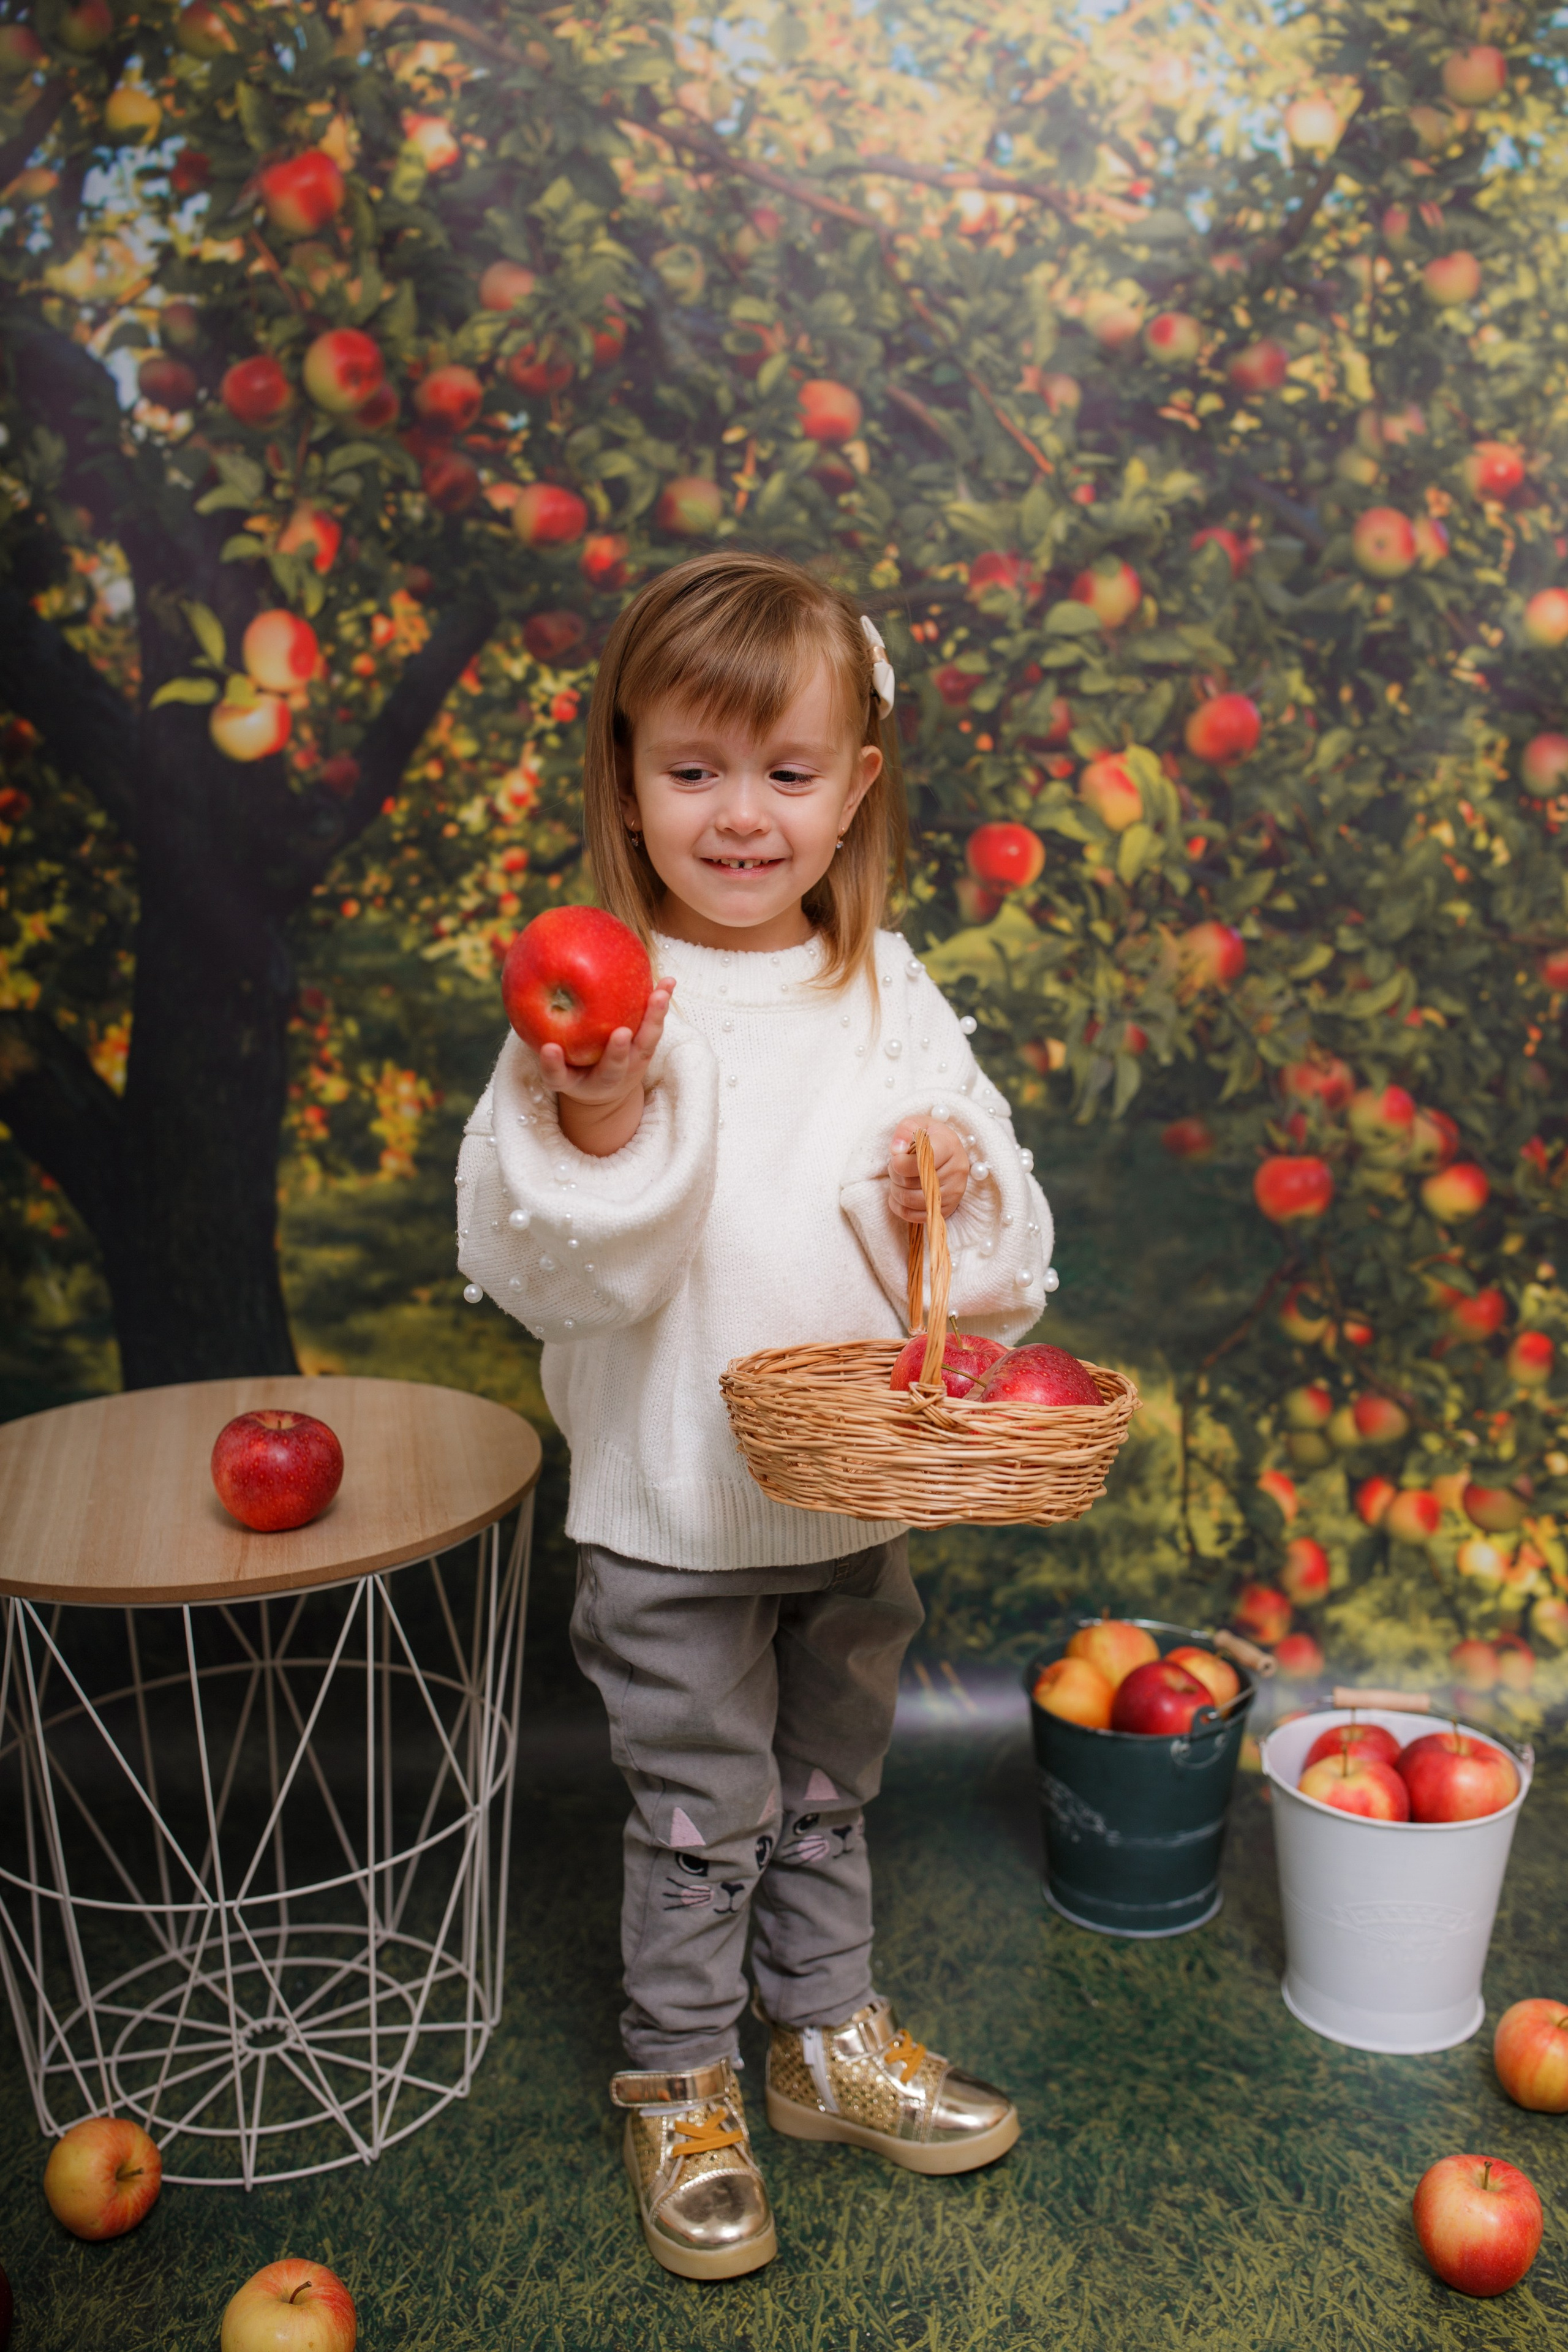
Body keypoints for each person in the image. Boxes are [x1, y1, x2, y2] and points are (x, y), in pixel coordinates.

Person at [457, 551, 1055, 2281]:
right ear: (627, 784)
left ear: (854, 788)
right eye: (692, 773)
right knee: (700, 1805)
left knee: (823, 1784)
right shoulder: (601, 1007)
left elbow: (988, 1246)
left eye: (787, 776)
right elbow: (555, 1266)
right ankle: (682, 2075)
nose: (740, 818)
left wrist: (938, 1185)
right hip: (668, 1514)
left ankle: (823, 2036)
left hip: (848, 1502)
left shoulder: (887, 990)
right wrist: (599, 1118)